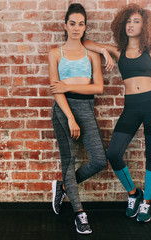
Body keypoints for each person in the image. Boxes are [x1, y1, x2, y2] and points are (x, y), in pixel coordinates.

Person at [84, 3, 151, 222]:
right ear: (123, 24)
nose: (131, 25)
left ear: (145, 25)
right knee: (113, 153)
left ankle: (146, 204)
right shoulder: (118, 51)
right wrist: (104, 50)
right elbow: (86, 43)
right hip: (131, 106)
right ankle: (134, 193)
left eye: (136, 21)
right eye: (128, 21)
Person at [48, 3, 107, 234]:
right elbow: (57, 90)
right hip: (63, 110)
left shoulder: (91, 53)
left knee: (99, 160)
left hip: (86, 107)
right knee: (69, 160)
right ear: (65, 25)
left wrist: (67, 85)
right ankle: (79, 214)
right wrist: (70, 118)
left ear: (85, 27)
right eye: (72, 23)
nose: (76, 28)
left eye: (81, 24)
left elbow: (99, 88)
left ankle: (62, 186)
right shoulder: (55, 53)